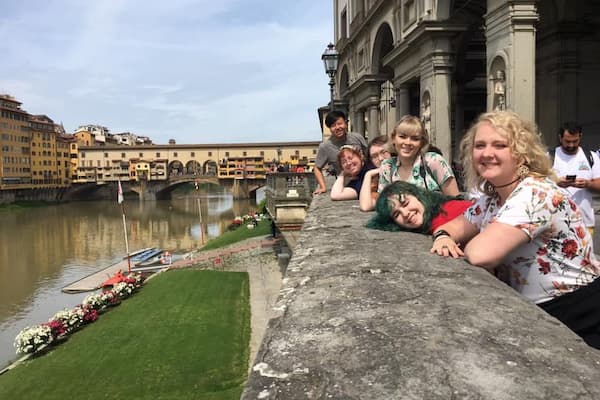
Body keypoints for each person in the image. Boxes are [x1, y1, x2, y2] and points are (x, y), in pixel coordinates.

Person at [431, 110, 600, 349]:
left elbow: (481, 253)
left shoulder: (535, 192)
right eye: (480, 145)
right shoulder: (493, 199)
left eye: (499, 145)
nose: (487, 153)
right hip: (545, 313)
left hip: (579, 313)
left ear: (521, 154)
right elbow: (452, 226)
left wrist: (460, 239)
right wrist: (443, 236)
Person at [362, 115, 459, 211]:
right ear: (393, 139)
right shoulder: (388, 167)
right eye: (402, 137)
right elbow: (372, 206)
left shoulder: (433, 161)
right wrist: (368, 174)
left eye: (415, 138)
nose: (408, 142)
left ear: (422, 142)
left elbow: (456, 203)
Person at [551, 122, 600, 235]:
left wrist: (588, 184)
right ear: (560, 138)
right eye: (567, 141)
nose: (571, 145)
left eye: (575, 141)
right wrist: (556, 182)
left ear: (580, 137)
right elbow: (536, 183)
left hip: (584, 224)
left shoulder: (591, 157)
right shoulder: (549, 157)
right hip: (555, 223)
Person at [366, 181, 472, 233]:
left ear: (418, 196)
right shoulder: (428, 222)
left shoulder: (450, 209)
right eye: (396, 214)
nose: (405, 213)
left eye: (405, 203)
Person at [313, 110, 368, 195]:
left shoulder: (357, 137)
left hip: (365, 178)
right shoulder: (325, 146)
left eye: (339, 123)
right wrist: (323, 187)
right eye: (333, 125)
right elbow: (317, 168)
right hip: (347, 184)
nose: (337, 127)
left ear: (345, 123)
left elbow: (368, 155)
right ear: (330, 129)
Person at [359, 135, 393, 211]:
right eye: (374, 156)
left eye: (383, 152)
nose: (380, 158)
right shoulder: (376, 182)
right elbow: (365, 206)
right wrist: (368, 174)